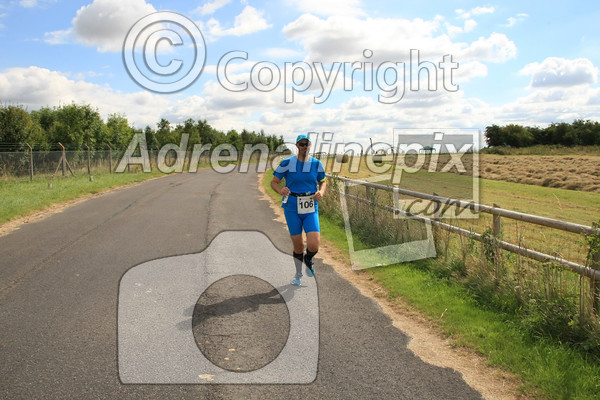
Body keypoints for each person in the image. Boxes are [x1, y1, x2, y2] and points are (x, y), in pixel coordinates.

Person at [271, 134, 327, 286]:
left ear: (310, 146)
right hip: (292, 207)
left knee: (314, 245)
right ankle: (298, 273)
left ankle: (308, 259)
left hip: (310, 206)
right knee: (298, 246)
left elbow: (323, 181)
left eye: (307, 144)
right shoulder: (287, 163)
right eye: (302, 144)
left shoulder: (316, 163)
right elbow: (274, 182)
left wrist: (321, 192)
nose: (305, 147)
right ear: (297, 146)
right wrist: (280, 190)